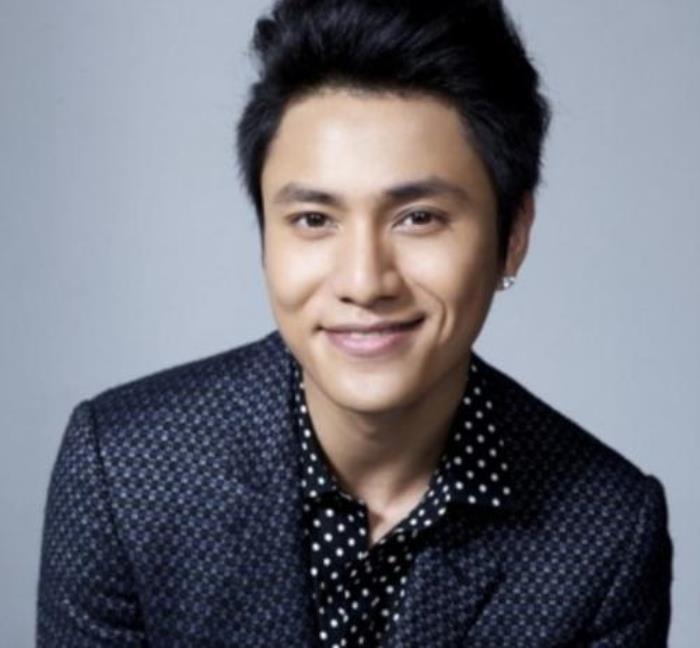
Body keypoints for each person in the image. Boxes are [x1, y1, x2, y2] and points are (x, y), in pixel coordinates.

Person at [36, 1, 673, 646]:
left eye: (418, 217)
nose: (365, 282)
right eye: (314, 220)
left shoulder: (607, 534)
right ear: (265, 238)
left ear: (513, 235)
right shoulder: (124, 473)